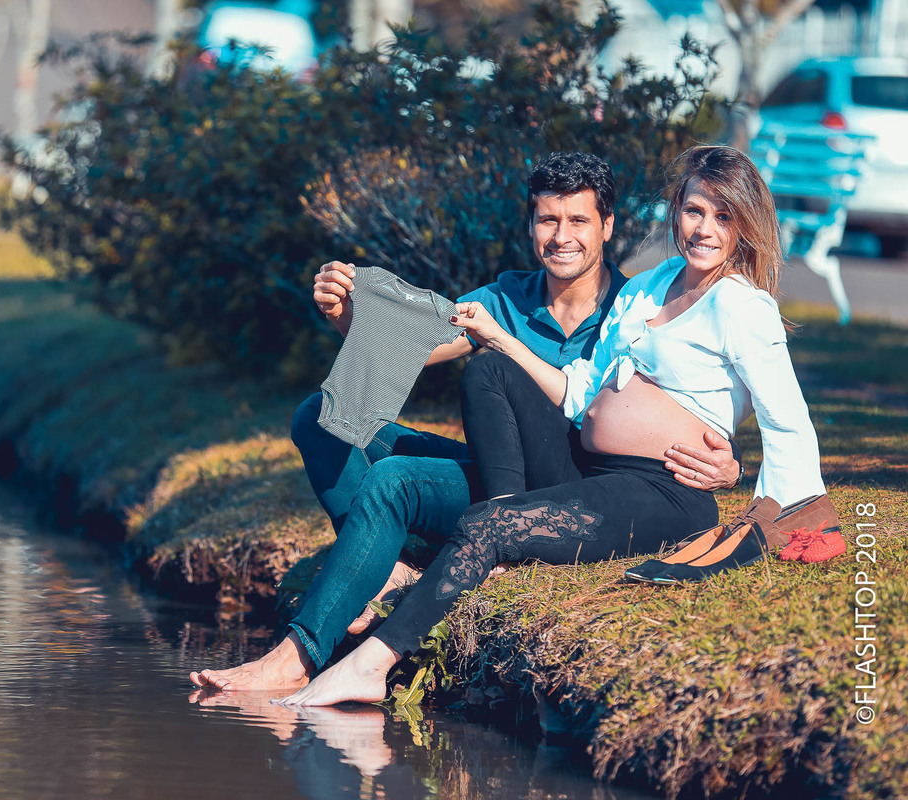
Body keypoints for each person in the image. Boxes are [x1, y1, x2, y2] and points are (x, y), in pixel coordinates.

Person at [275, 144, 835, 707]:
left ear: (606, 225)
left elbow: (785, 420)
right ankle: (400, 576)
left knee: (482, 512)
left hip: (661, 485)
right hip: (583, 467)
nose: (704, 228)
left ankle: (369, 662)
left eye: (723, 215)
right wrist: (364, 315)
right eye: (694, 211)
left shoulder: (739, 306)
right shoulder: (646, 287)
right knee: (465, 381)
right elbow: (576, 392)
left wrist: (757, 485)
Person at [189, 152, 740, 693]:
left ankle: (298, 656)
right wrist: (343, 313)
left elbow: (686, 397)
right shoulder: (506, 298)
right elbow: (411, 346)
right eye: (548, 219)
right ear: (530, 226)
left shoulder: (632, 306)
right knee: (323, 418)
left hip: (578, 489)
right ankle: (393, 566)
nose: (562, 235)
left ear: (607, 226)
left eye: (578, 220)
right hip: (499, 468)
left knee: (396, 478)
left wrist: (725, 462)